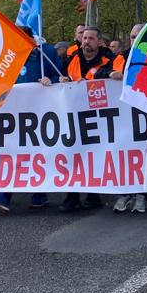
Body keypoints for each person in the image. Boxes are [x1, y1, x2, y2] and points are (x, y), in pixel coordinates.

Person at [0, 29, 62, 213]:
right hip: (14, 113)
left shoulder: (47, 53)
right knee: (10, 151)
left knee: (36, 152)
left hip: (40, 112)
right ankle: (1, 194)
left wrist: (51, 81)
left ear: (30, 39)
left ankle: (39, 194)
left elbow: (61, 76)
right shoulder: (10, 54)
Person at [57, 27, 113, 212]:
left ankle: (93, 195)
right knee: (72, 154)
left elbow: (116, 78)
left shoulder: (109, 60)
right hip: (72, 116)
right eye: (84, 38)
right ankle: (71, 197)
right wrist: (57, 81)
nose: (86, 41)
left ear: (99, 42)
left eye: (90, 38)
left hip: (97, 117)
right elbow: (59, 78)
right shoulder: (70, 60)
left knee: (93, 155)